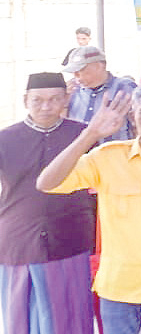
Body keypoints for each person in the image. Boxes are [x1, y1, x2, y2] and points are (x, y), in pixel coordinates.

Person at [37, 82, 141, 334]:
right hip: (119, 284)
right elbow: (47, 183)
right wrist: (90, 135)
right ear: (132, 115)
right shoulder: (107, 157)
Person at [0, 73, 96, 334]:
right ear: (25, 101)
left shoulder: (84, 136)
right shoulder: (5, 139)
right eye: (38, 100)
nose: (46, 106)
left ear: (66, 99)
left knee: (71, 315)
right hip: (18, 243)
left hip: (70, 239)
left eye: (54, 99)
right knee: (22, 318)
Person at [63, 46, 136, 143]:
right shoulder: (71, 90)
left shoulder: (126, 87)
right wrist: (64, 102)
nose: (76, 75)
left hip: (115, 152)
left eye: (80, 69)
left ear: (99, 66)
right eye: (73, 71)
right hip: (81, 154)